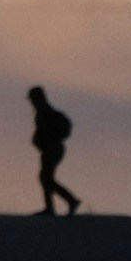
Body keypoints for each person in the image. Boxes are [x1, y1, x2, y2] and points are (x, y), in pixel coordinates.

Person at [28, 85, 83, 216]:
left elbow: (43, 131)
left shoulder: (43, 111)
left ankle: (67, 202)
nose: (31, 102)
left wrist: (40, 140)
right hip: (53, 148)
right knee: (46, 178)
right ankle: (55, 206)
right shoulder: (44, 110)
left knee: (46, 178)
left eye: (32, 98)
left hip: (51, 148)